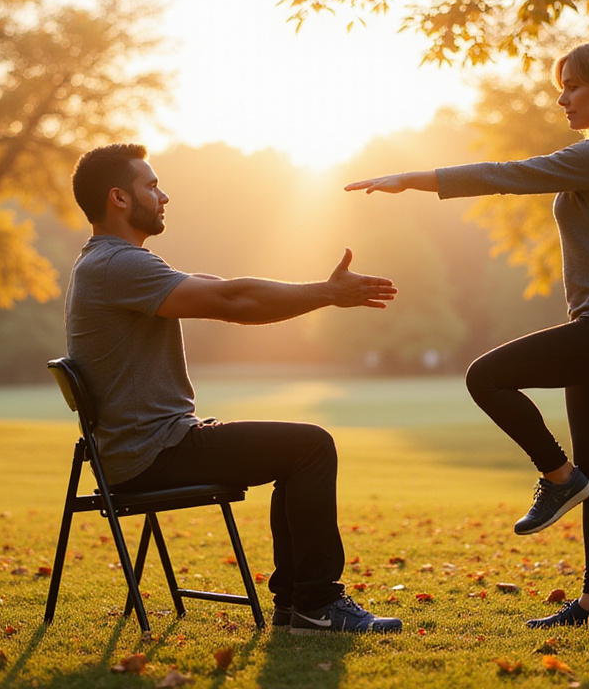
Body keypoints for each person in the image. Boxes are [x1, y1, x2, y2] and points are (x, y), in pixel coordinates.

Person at [345, 36, 589, 629]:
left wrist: (413, 178)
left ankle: (557, 477)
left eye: (576, 85)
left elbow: (510, 175)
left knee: (486, 377)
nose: (563, 98)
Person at [65, 143, 402, 634]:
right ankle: (314, 603)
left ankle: (298, 606)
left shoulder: (112, 263)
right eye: (152, 185)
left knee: (297, 451)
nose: (164, 196)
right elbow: (232, 299)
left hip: (147, 448)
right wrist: (327, 294)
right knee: (310, 447)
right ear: (118, 197)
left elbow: (220, 285)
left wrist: (315, 292)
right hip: (153, 454)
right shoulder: (116, 266)